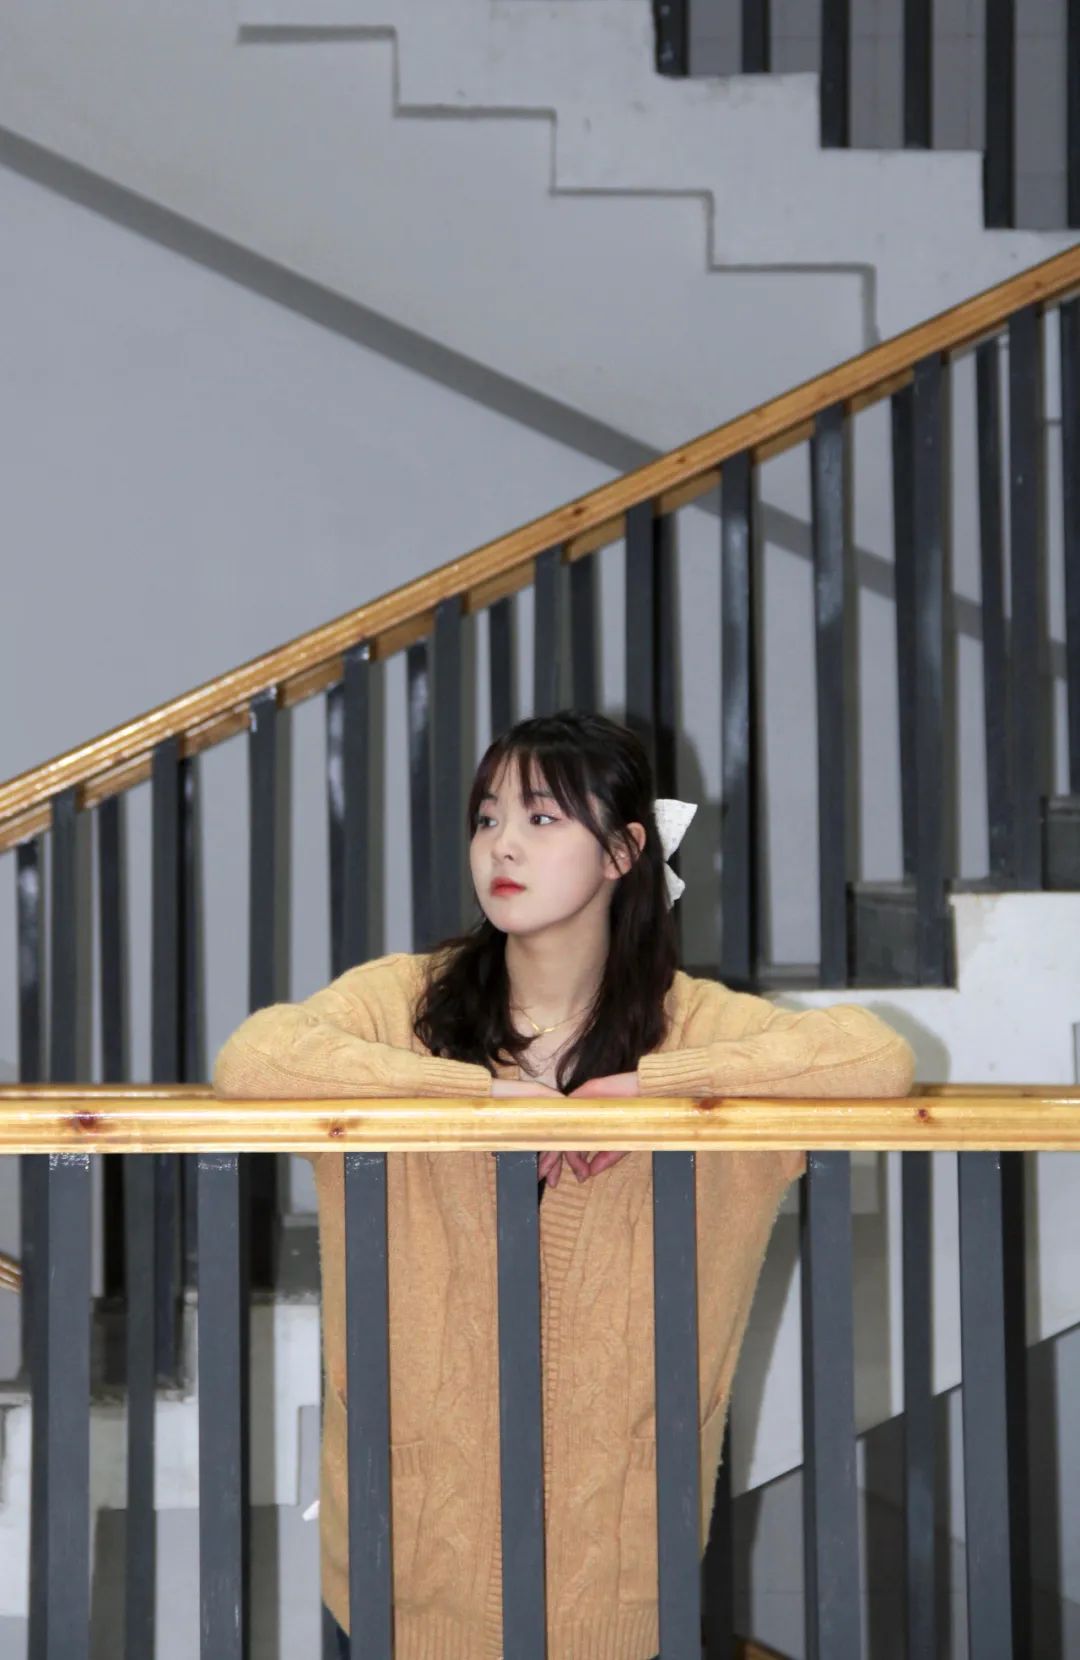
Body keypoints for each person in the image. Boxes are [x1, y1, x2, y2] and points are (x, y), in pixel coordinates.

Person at [212, 709, 915, 1660]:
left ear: (624, 851)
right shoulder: (405, 1003)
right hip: (400, 1560)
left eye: (542, 818)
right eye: (487, 817)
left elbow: (873, 1059)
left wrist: (645, 1091)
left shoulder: (696, 1029)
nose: (501, 844)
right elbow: (256, 1057)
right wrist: (486, 1101)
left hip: (618, 1572)